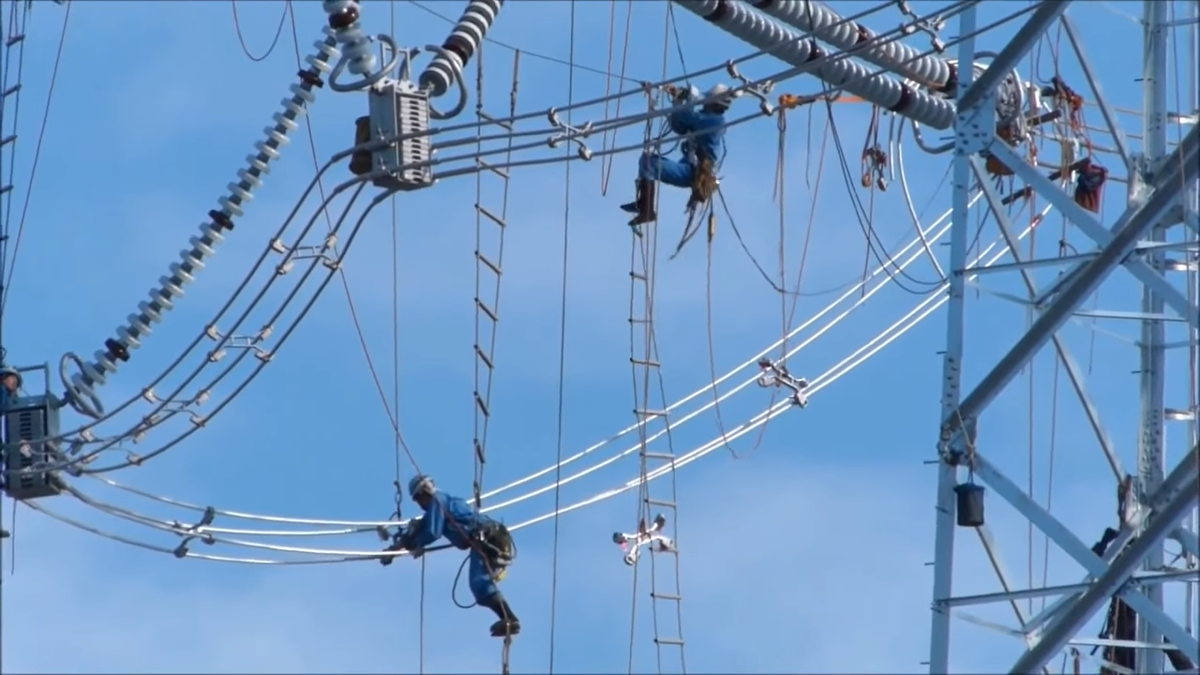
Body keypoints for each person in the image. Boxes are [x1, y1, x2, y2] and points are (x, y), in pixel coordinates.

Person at [384, 474, 520, 638]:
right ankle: (509, 619)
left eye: (417, 499)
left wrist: (416, 544)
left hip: (485, 538)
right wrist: (394, 549)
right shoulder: (446, 501)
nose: (419, 505)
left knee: (480, 584)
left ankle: (509, 619)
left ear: (423, 493)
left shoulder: (437, 501)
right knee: (481, 585)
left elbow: (432, 532)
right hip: (494, 537)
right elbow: (420, 529)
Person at [621, 82, 736, 229]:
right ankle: (644, 203)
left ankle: (647, 209)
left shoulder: (714, 121)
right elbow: (679, 125)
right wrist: (678, 100)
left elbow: (687, 117)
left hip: (695, 172)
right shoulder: (705, 118)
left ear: (714, 103)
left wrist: (684, 98)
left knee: (648, 163)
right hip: (690, 166)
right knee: (647, 161)